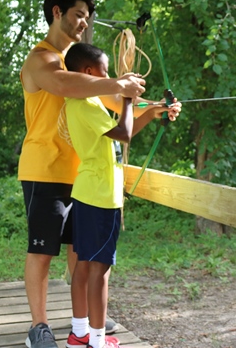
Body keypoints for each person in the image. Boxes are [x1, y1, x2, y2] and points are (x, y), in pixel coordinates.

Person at [18, 0, 180, 348]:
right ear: (57, 12)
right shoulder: (41, 59)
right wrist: (116, 84)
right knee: (42, 250)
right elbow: (64, 84)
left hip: (83, 175)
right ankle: (38, 328)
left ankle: (85, 326)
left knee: (81, 253)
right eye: (78, 15)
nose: (83, 24)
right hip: (44, 168)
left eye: (87, 18)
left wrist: (155, 107)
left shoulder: (82, 65)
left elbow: (113, 101)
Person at [63, 43, 169, 348]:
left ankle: (79, 333)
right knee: (100, 271)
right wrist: (124, 97)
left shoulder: (86, 101)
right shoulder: (83, 104)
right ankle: (96, 340)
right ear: (87, 72)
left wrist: (152, 110)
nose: (110, 77)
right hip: (99, 198)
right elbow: (123, 131)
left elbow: (126, 128)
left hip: (88, 194)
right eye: (105, 72)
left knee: (84, 266)